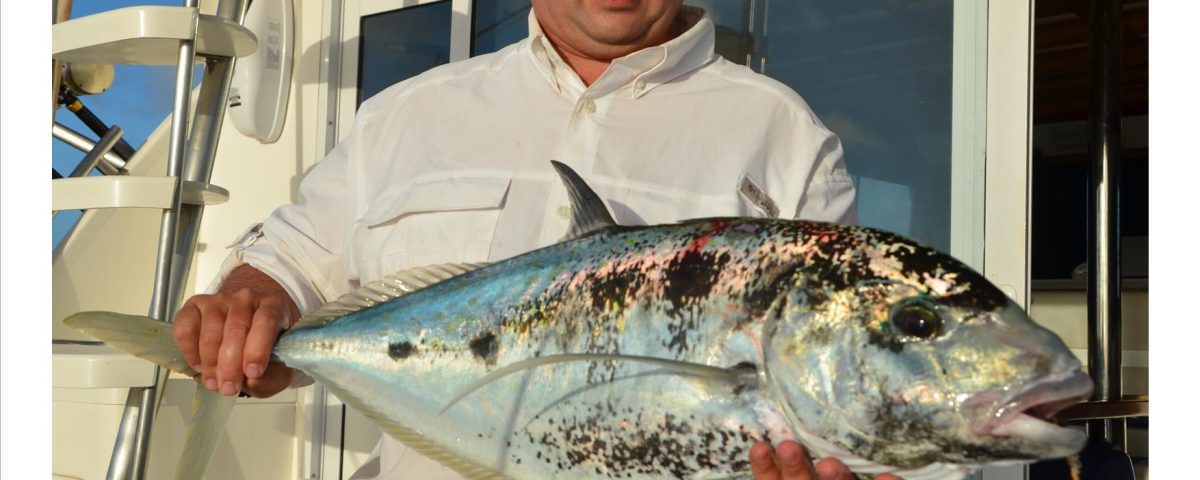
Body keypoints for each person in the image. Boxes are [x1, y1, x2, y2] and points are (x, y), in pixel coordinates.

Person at [173, 1, 881, 479]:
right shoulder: (404, 116)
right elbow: (289, 268)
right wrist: (248, 307)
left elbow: (826, 369)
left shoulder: (787, 139)